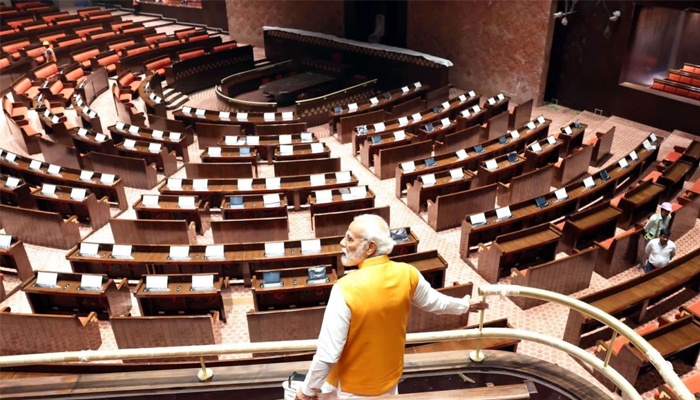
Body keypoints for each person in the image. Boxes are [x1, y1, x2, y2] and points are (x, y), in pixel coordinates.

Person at [296, 214, 488, 400]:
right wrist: (464, 305)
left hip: (351, 387)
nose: (342, 243)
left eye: (349, 238)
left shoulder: (344, 288)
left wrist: (307, 390)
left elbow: (328, 354)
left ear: (370, 247)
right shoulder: (408, 273)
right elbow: (436, 303)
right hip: (390, 380)